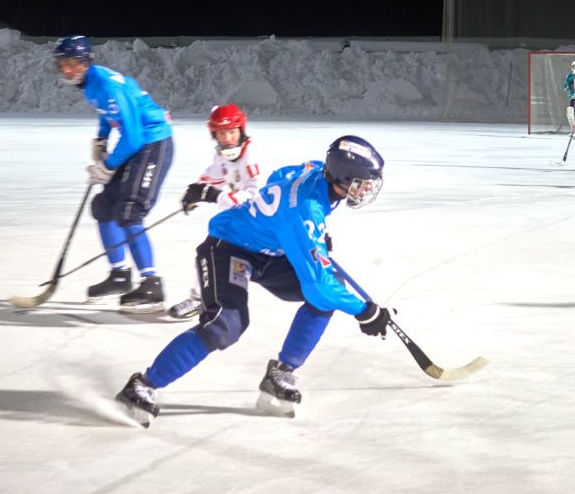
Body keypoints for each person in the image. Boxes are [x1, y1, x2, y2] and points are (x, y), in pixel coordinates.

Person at [114, 136, 392, 426]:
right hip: (229, 248)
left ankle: (281, 373)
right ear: (342, 177)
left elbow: (280, 176)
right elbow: (318, 285)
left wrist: (305, 236)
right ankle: (142, 385)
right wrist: (366, 312)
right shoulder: (306, 211)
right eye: (361, 182)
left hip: (270, 253)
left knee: (332, 288)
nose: (367, 189)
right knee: (225, 326)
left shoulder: (317, 170)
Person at [52, 35, 176, 313]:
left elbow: (133, 138)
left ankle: (151, 283)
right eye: (63, 64)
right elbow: (106, 114)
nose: (67, 70)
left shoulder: (107, 84)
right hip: (137, 142)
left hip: (152, 143)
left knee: (130, 211)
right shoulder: (90, 84)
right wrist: (101, 139)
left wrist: (107, 167)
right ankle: (119, 275)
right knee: (104, 207)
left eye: (72, 64)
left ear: (85, 62)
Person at [167, 103, 268, 320]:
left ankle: (222, 305)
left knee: (226, 260)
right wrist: (195, 192)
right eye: (222, 133)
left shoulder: (251, 157)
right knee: (209, 254)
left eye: (232, 131)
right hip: (236, 221)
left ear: (241, 130)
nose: (228, 138)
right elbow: (212, 177)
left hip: (258, 224)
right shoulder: (222, 156)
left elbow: (255, 195)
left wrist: (214, 196)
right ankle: (200, 299)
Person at [563, 60, 575, 137]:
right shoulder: (569, 76)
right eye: (573, 66)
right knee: (572, 114)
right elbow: (565, 86)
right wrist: (569, 85)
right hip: (572, 97)